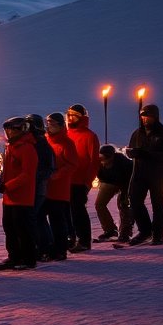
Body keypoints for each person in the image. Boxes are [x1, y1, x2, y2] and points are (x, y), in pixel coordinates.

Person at [126, 104, 163, 245]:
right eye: (142, 116)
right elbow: (131, 149)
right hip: (139, 172)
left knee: (157, 204)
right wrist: (131, 153)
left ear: (155, 117)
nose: (145, 119)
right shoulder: (137, 133)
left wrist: (148, 154)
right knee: (135, 201)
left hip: (158, 174)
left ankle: (158, 233)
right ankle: (145, 230)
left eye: (147, 116)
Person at [0, 116, 37, 270]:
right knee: (10, 227)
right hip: (9, 197)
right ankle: (14, 256)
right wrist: (3, 182)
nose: (9, 132)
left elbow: (27, 174)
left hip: (22, 197)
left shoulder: (27, 148)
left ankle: (28, 258)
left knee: (22, 229)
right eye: (8, 130)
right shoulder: (10, 147)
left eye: (12, 129)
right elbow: (8, 171)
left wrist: (8, 186)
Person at [42, 113, 81, 262]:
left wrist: (57, 174)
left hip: (59, 188)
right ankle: (50, 246)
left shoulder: (66, 143)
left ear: (60, 125)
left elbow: (72, 164)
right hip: (46, 187)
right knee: (42, 217)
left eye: (52, 124)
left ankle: (60, 249)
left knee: (57, 220)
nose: (49, 127)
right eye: (48, 124)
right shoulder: (47, 141)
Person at [64, 104, 101, 251]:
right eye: (69, 115)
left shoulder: (90, 136)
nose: (70, 118)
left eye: (74, 115)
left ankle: (84, 240)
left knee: (78, 211)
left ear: (82, 118)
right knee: (67, 212)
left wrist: (87, 182)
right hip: (66, 180)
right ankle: (71, 238)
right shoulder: (66, 134)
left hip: (80, 181)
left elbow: (94, 162)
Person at [26, 114, 55, 257]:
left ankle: (43, 247)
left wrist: (34, 178)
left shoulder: (40, 143)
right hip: (37, 186)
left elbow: (48, 167)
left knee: (35, 217)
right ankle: (46, 246)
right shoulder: (37, 142)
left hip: (37, 187)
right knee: (39, 217)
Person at [93, 145, 134, 242]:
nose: (104, 160)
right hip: (108, 182)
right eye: (102, 157)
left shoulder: (124, 163)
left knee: (123, 205)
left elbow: (129, 179)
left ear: (113, 156)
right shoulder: (98, 163)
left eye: (107, 157)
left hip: (125, 183)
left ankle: (125, 233)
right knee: (99, 204)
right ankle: (110, 230)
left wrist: (125, 194)